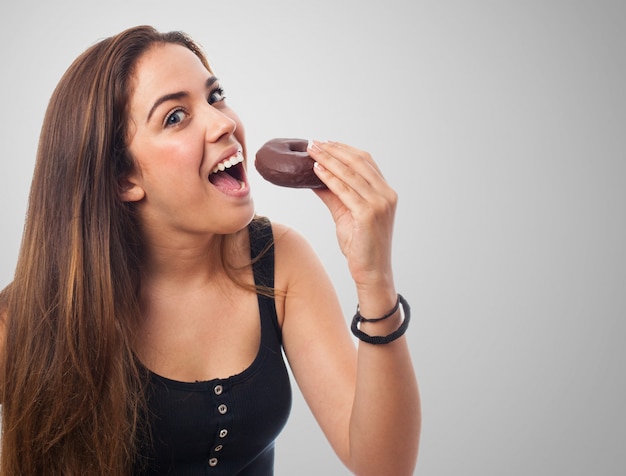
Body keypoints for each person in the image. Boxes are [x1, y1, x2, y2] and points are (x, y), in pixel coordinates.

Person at [0, 25, 420, 475]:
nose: (224, 122)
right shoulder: (24, 322)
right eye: (175, 117)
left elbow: (383, 466)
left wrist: (375, 281)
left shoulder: (279, 262)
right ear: (125, 179)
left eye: (215, 95)